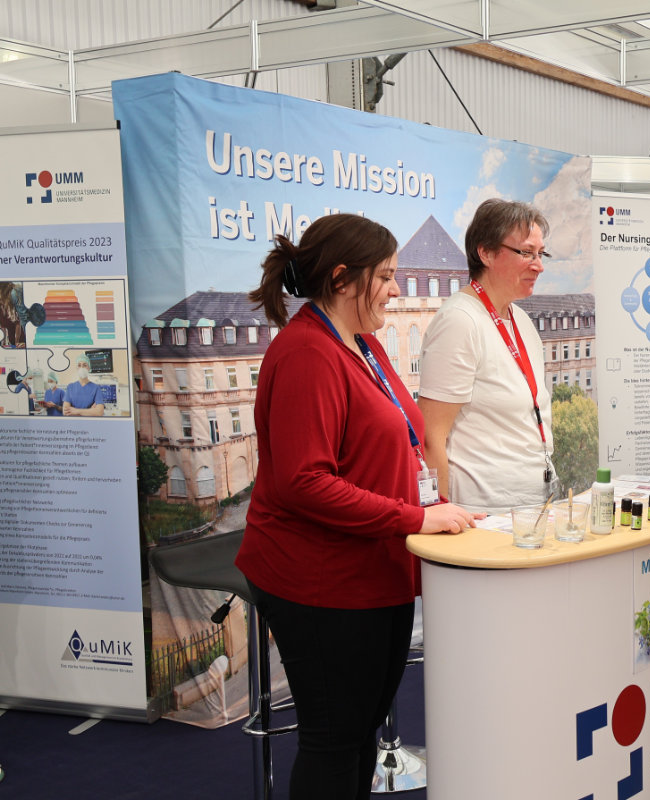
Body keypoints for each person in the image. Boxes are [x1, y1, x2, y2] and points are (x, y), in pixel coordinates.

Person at [235, 212, 478, 799]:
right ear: (344, 277)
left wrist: (433, 504)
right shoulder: (307, 355)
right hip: (320, 582)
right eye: (387, 276)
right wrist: (416, 517)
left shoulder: (364, 345)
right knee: (334, 737)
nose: (397, 289)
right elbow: (304, 482)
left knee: (358, 731)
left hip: (373, 569)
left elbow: (404, 433)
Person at [418, 198, 556, 513]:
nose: (539, 265)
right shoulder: (460, 320)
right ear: (486, 253)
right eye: (526, 253)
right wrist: (439, 510)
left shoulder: (521, 319)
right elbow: (430, 437)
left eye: (541, 253)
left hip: (533, 505)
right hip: (483, 515)